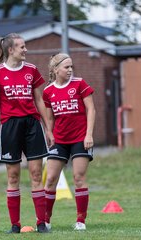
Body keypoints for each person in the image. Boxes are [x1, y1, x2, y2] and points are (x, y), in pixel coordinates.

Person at [0, 33, 54, 234]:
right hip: (10, 127)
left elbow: (39, 101)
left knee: (36, 173)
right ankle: (14, 225)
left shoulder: (31, 70)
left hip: (32, 125)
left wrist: (48, 129)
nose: (26, 50)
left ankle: (41, 224)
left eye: (25, 46)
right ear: (10, 50)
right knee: (13, 176)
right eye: (22, 47)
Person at [42, 53, 95, 231]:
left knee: (78, 178)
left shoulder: (80, 84)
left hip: (80, 138)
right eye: (66, 67)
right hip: (60, 140)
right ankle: (45, 221)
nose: (70, 70)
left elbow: (91, 109)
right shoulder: (48, 91)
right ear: (55, 69)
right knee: (50, 179)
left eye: (71, 66)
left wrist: (89, 135)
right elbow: (49, 118)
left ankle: (81, 221)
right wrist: (49, 133)